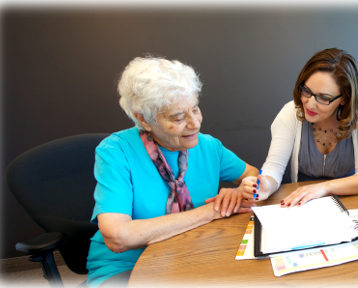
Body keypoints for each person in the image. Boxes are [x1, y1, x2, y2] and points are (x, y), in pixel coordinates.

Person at [86, 56, 258, 287]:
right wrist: (211, 212)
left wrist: (241, 190)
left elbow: (252, 174)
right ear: (143, 118)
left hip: (196, 253)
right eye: (178, 117)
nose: (194, 123)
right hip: (128, 267)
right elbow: (118, 237)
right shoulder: (116, 151)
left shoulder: (208, 145)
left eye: (195, 109)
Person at [241, 48, 358, 207]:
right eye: (306, 91)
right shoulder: (290, 113)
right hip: (302, 206)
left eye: (323, 98)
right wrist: (266, 186)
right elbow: (273, 168)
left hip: (351, 205)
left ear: (344, 99)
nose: (309, 103)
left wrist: (324, 188)